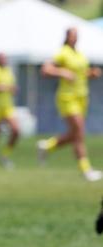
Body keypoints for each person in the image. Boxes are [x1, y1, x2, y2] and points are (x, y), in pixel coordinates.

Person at [38, 27, 103, 181]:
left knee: (75, 134)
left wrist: (91, 73)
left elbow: (80, 74)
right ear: (67, 37)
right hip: (67, 98)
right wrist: (62, 72)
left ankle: (47, 146)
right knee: (79, 132)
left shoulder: (79, 54)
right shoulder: (63, 53)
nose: (74, 38)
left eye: (76, 35)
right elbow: (45, 69)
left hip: (82, 98)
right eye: (72, 35)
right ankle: (86, 170)